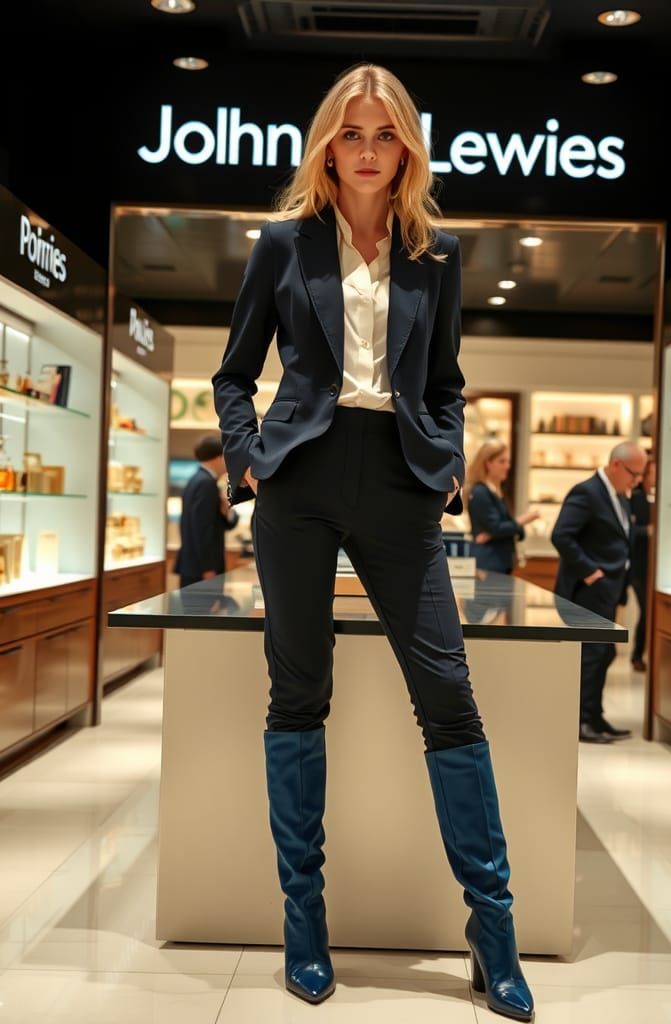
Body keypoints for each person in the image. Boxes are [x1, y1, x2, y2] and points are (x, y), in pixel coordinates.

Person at [212, 64, 533, 1021]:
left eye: (382, 135)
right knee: (299, 691)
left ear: (405, 150)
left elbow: (444, 381)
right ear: (327, 144)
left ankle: (495, 928)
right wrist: (252, 458)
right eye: (350, 134)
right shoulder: (283, 245)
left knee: (449, 698)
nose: (365, 150)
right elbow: (235, 376)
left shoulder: (438, 254)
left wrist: (444, 461)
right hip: (301, 483)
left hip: (400, 484)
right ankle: (302, 923)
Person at [551, 441, 648, 744]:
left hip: (609, 591)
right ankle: (580, 722)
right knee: (592, 656)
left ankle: (595, 716)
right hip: (586, 592)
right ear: (616, 465)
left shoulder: (620, 496)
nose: (637, 481)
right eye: (634, 473)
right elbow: (561, 535)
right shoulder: (587, 492)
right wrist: (592, 573)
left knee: (603, 654)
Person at [173, 435, 238, 589]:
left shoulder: (198, 480)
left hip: (196, 567)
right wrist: (208, 568)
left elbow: (220, 523)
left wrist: (227, 511)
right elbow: (202, 528)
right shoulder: (206, 483)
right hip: (202, 570)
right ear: (219, 457)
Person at [465, 441, 539, 574]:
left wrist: (494, 533)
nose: (507, 466)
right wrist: (522, 520)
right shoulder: (480, 492)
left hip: (500, 562)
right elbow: (497, 527)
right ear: (488, 463)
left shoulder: (498, 492)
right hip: (488, 564)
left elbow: (504, 529)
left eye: (508, 462)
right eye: (502, 462)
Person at [629, 455, 656, 672]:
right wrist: (646, 531)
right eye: (653, 472)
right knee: (645, 610)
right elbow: (628, 529)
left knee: (648, 612)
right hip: (635, 565)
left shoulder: (657, 498)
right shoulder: (635, 498)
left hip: (652, 566)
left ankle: (641, 654)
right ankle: (637, 655)